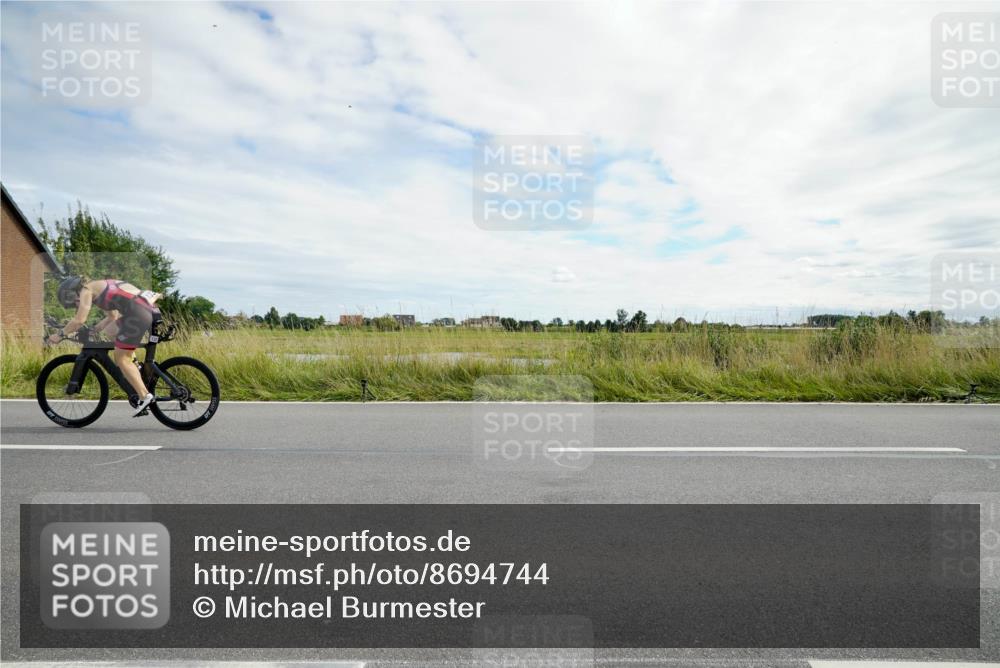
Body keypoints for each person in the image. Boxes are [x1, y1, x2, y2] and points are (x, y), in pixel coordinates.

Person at [50, 275, 162, 416]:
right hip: (143, 310)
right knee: (111, 331)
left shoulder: (86, 290)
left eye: (73, 301)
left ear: (75, 291)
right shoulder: (100, 287)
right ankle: (135, 366)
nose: (76, 304)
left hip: (138, 313)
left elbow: (79, 320)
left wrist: (59, 335)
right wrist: (93, 330)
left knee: (121, 359)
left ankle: (144, 396)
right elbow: (112, 317)